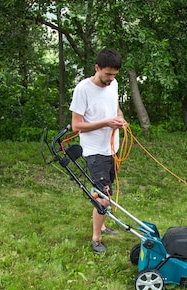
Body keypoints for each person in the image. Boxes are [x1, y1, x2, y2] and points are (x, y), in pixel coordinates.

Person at [70, 48, 127, 253]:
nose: (111, 79)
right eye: (107, 74)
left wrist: (119, 118)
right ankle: (96, 238)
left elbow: (115, 108)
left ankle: (102, 223)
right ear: (97, 68)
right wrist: (105, 123)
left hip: (112, 148)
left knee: (107, 191)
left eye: (114, 75)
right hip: (94, 151)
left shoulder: (114, 84)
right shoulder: (83, 90)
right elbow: (76, 126)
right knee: (103, 195)